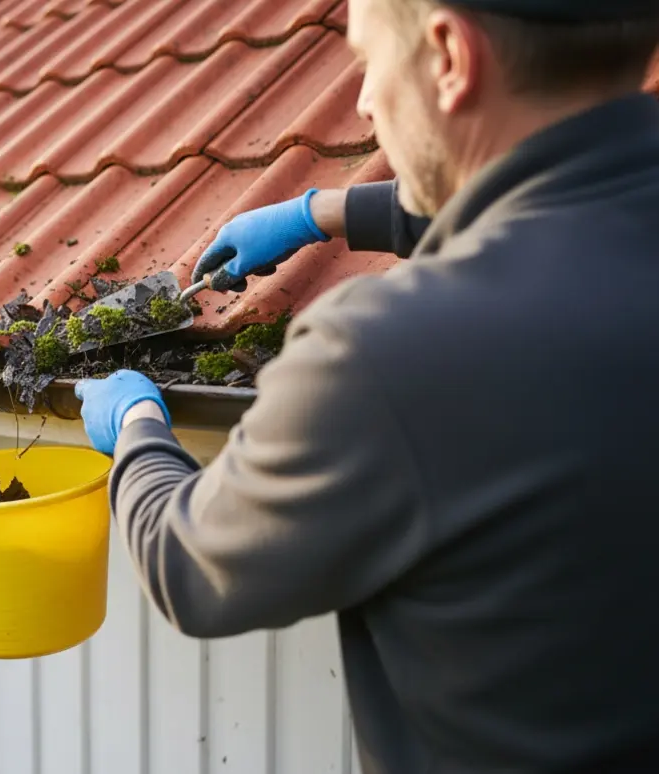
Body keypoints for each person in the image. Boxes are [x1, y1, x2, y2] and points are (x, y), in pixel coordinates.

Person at [72, 0, 659, 772]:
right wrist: (323, 212)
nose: (364, 102)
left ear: (448, 55)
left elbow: (189, 563)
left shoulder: (391, 354)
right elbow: (547, 204)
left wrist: (138, 425)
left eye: (368, 61)